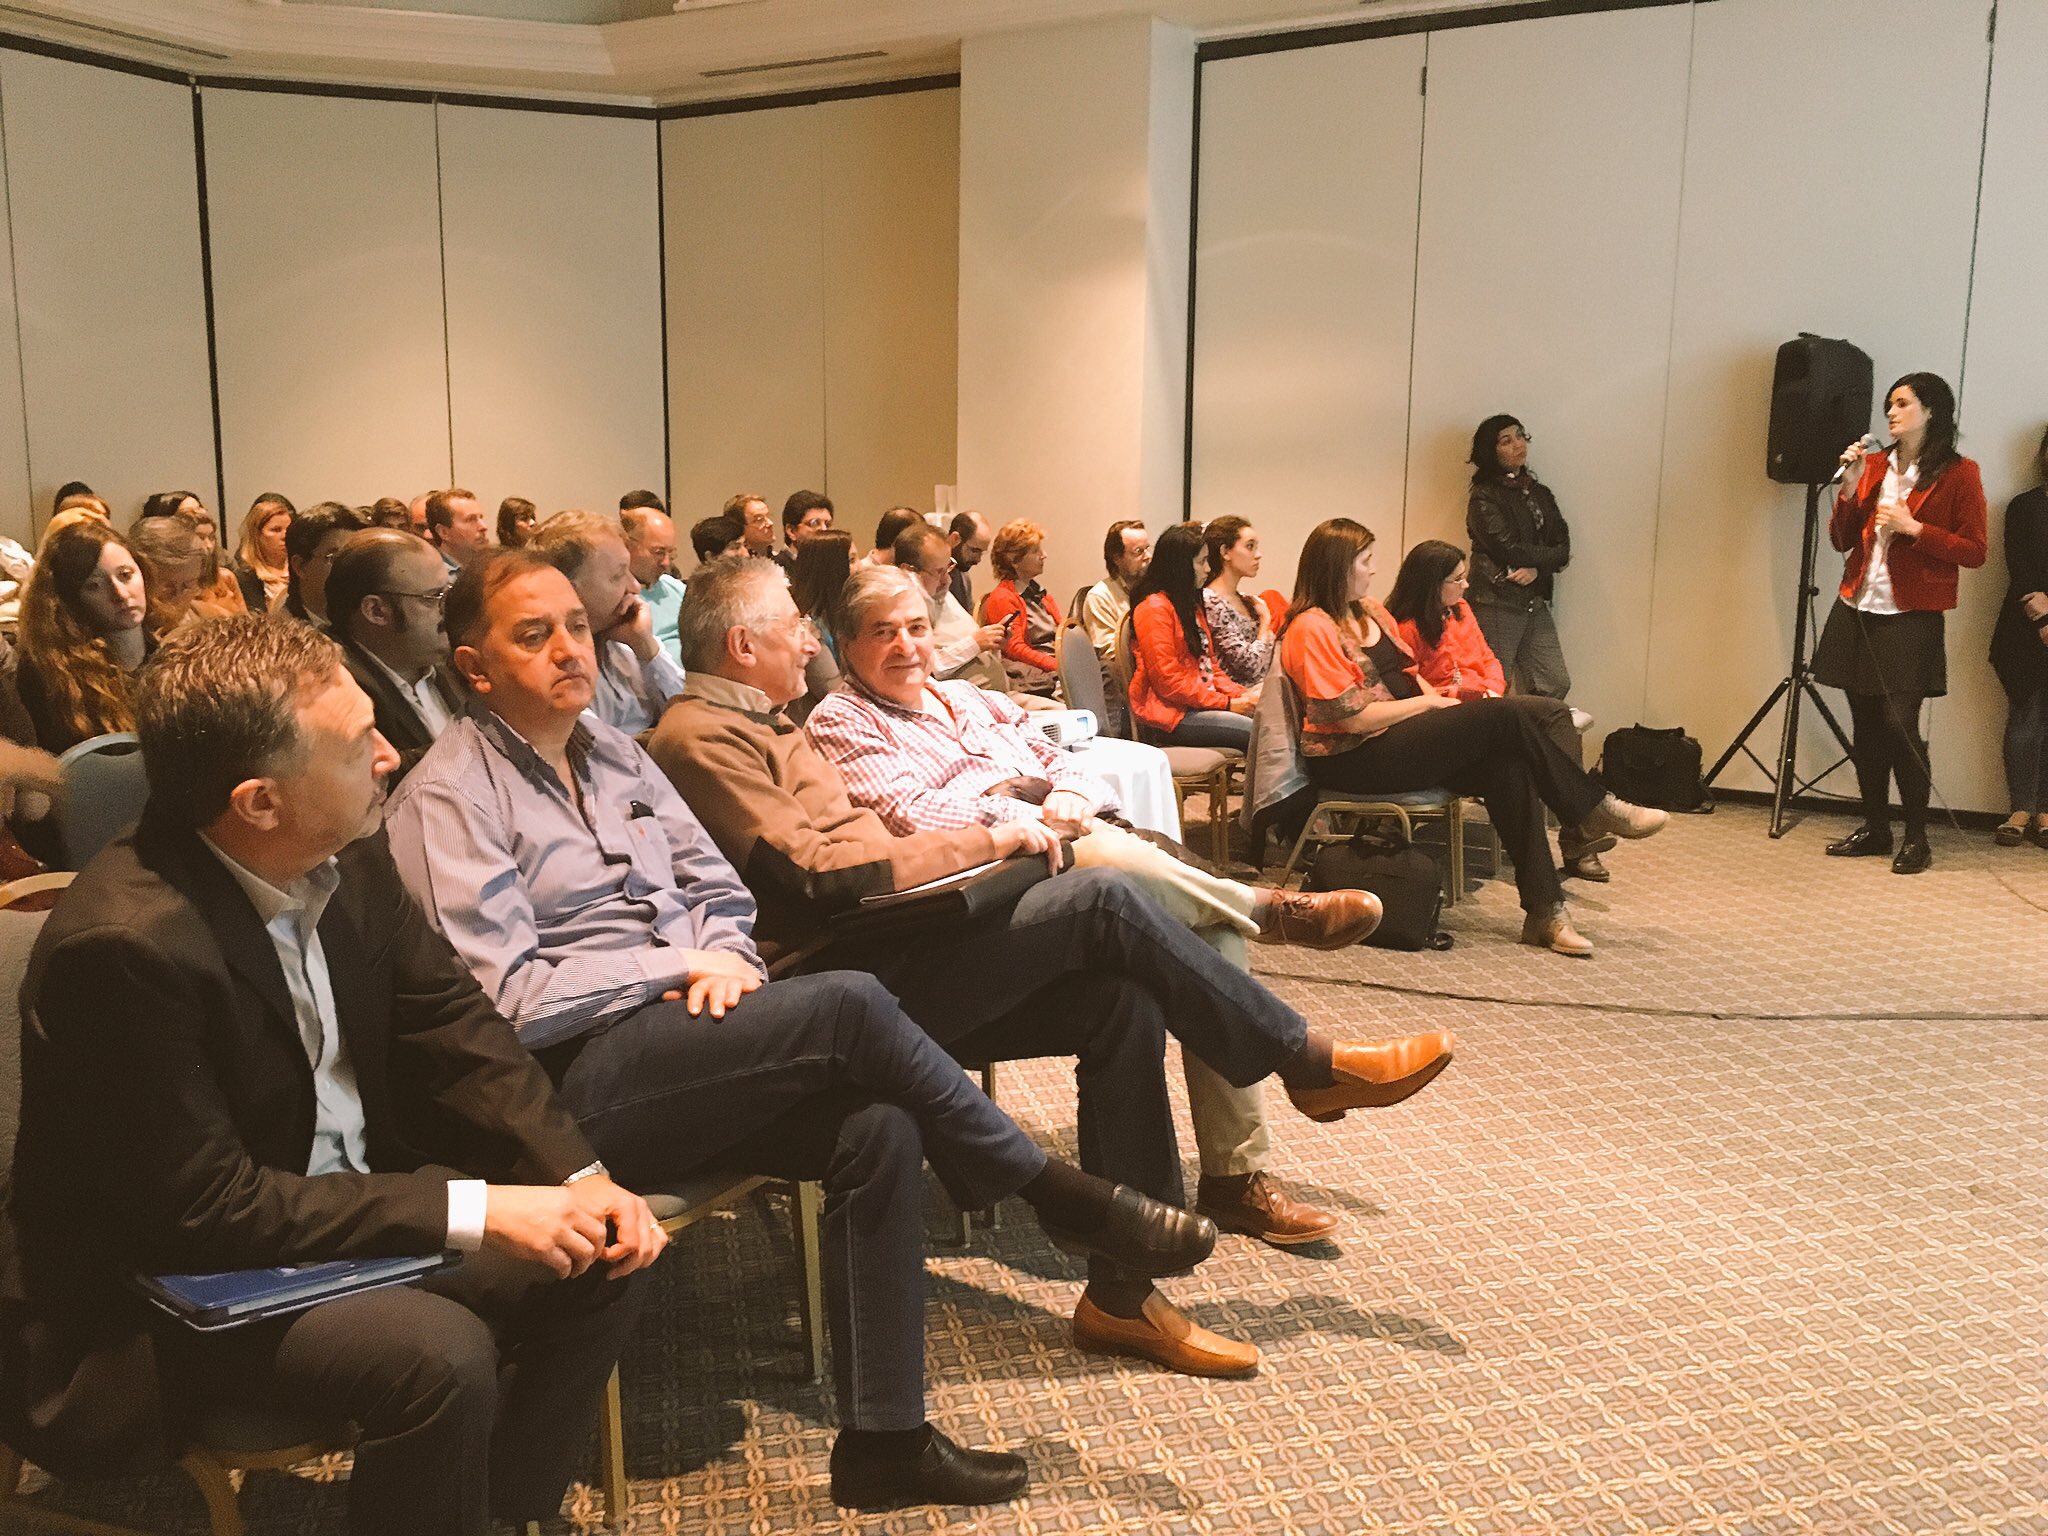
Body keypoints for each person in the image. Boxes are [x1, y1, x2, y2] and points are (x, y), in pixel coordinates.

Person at [386, 550, 1217, 1507]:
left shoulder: (614, 751)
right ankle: (1048, 1189)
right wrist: (675, 967)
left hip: (694, 1031)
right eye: (534, 636)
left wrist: (722, 955)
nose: (570, 649)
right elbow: (505, 998)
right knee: (847, 998)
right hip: (568, 1089)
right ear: (475, 667)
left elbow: (715, 888)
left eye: (576, 625)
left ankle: (885, 1443)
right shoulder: (451, 795)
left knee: (878, 1126)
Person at [0, 614, 666, 1536]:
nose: (391, 755)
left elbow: (453, 1023)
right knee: (434, 1357)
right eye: (358, 746)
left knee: (601, 1252)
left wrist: (577, 1177)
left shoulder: (345, 846)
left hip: (331, 1214)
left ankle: (503, 1516)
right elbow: (207, 1211)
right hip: (164, 1290)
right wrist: (477, 1208)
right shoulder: (124, 948)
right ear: (259, 802)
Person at [649, 557, 1451, 1286]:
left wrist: (1023, 813)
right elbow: (823, 877)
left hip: (908, 920)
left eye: (915, 627)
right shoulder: (706, 737)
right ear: (744, 644)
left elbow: (1018, 780)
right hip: (855, 970)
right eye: (798, 623)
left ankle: (1128, 1288)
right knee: (1103, 896)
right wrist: (995, 834)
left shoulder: (768, 721)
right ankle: (1302, 1055)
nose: (808, 638)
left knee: (1122, 997)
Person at [1278, 518, 1667, 957]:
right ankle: (1592, 809)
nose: (1373, 569)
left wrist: (1436, 704)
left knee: (1509, 766)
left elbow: (1409, 676)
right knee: (1505, 716)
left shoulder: (1370, 611)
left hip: (1397, 738)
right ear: (1337, 567)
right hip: (1352, 757)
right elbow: (1350, 720)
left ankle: (1546, 912)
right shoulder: (1310, 628)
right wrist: (1429, 707)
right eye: (1365, 561)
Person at [1812, 373, 1989, 874]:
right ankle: (1875, 828)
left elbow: (1975, 550)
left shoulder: (1960, 473)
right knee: (1866, 726)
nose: (1891, 412)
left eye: (1903, 403)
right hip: (1858, 607)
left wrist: (1916, 529)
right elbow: (1842, 540)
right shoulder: (1872, 465)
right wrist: (1849, 489)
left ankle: (1917, 836)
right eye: (1889, 404)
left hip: (1910, 616)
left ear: (1931, 411)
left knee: (1899, 726)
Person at [1385, 539, 1613, 881]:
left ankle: (1579, 832)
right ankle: (1584, 827)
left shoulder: (1461, 610)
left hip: (1487, 703)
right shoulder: (1404, 629)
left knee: (1557, 715)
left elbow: (1489, 658)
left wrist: (1492, 689)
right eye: (1457, 579)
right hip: (1449, 717)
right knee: (1539, 723)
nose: (1466, 585)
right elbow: (1415, 690)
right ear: (1432, 584)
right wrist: (1472, 696)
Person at [527, 509, 686, 735]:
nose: (635, 587)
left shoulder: (626, 640)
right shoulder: (554, 668)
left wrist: (647, 647)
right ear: (568, 588)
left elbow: (690, 713)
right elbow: (600, 749)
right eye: (618, 576)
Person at [327, 529, 463, 775]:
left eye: (448, 592)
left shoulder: (455, 660)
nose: (449, 608)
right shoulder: (335, 688)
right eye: (433, 597)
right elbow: (378, 777)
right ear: (376, 611)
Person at [15, 519, 150, 753]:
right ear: (70, 601)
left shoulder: (171, 646)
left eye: (126, 575)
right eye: (94, 586)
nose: (120, 593)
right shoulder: (48, 674)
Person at [1465, 414, 1574, 699]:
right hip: (1495, 598)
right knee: (1493, 687)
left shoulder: (1540, 493)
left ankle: (1530, 729)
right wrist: (1547, 560)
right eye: (1506, 440)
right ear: (1490, 451)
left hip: (1533, 598)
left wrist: (1538, 571)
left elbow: (1563, 548)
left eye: (1521, 435)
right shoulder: (1484, 496)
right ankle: (1498, 731)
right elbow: (1508, 548)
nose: (1518, 444)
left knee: (1554, 682)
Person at [1126, 522, 1253, 749]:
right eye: (1202, 561)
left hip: (1197, 704)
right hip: (1171, 714)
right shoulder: (1154, 608)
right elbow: (1168, 682)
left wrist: (1241, 696)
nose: (1208, 569)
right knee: (1260, 731)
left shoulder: (1188, 604)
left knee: (1267, 717)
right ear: (1181, 566)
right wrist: (1226, 703)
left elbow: (1210, 667)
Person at [1990, 426, 2048, 847]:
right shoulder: (2024, 506)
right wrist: (2042, 616)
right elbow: (2020, 566)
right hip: (2025, 630)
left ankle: (2046, 811)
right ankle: (2021, 808)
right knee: (2025, 718)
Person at [894, 522, 1005, 684]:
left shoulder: (939, 592)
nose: (947, 580)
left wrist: (993, 642)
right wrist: (975, 644)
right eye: (938, 572)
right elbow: (928, 667)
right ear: (909, 571)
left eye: (948, 568)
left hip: (994, 691)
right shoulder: (902, 610)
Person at [982, 519, 1061, 697]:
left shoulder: (1042, 596)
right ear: (1014, 560)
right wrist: (1060, 666)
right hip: (1039, 672)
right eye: (1035, 551)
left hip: (1055, 665)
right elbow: (1015, 649)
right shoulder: (1002, 598)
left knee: (1102, 667)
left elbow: (1062, 636)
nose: (1044, 555)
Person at [145, 490, 247, 616]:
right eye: (200, 537)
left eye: (211, 537)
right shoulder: (172, 588)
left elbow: (247, 621)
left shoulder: (226, 577)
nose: (208, 545)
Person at [1201, 516, 1276, 687]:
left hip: (1260, 690)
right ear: (1225, 552)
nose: (1258, 555)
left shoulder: (1246, 600)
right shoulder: (1211, 601)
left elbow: (1268, 659)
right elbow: (1250, 667)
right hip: (1236, 695)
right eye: (1250, 546)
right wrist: (1265, 621)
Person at [788, 528, 854, 720]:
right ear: (833, 570)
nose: (861, 567)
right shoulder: (809, 625)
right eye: (852, 560)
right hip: (822, 721)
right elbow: (833, 690)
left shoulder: (839, 612)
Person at [281, 501, 369, 627]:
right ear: (300, 566)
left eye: (357, 558)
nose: (352, 570)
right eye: (337, 558)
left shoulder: (368, 621)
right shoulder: (282, 633)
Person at [620, 502, 686, 665]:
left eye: (671, 553)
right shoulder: (613, 600)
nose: (666, 563)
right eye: (658, 552)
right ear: (627, 546)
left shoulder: (675, 588)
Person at [1080, 520, 1150, 662]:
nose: (1148, 556)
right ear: (1117, 558)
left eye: (1147, 548)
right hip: (1128, 671)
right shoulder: (1100, 597)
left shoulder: (1154, 590)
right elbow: (1111, 654)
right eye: (1139, 551)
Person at [234, 492, 294, 612]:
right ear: (256, 535)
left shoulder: (300, 567)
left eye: (289, 529)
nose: (285, 536)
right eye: (276, 530)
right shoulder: (244, 577)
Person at [425, 488, 491, 576]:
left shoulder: (491, 568)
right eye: (470, 519)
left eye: (481, 518)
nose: (484, 527)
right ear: (444, 532)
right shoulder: (432, 577)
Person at [946, 510, 991, 614]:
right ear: (955, 538)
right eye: (974, 551)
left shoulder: (963, 574)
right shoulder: (932, 573)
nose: (978, 560)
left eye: (981, 552)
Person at [726, 492, 776, 559]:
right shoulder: (731, 563)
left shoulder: (779, 561)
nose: (770, 523)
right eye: (759, 519)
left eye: (768, 516)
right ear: (739, 527)